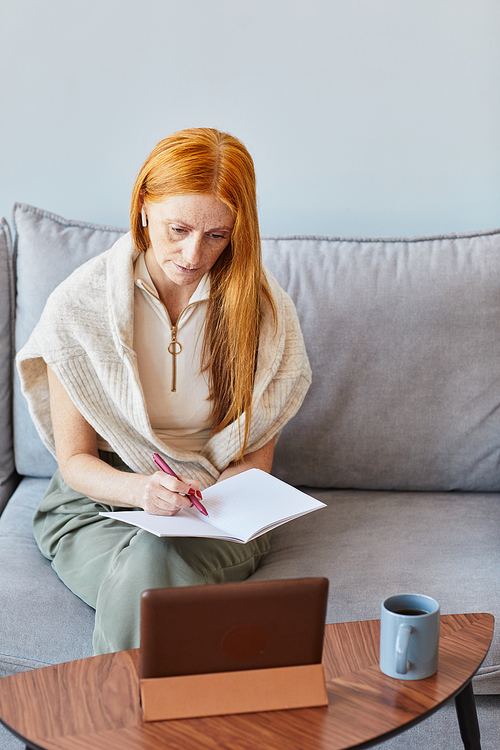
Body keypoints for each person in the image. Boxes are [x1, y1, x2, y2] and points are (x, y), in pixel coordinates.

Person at [17, 128, 312, 654]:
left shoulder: (266, 313)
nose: (194, 254)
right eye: (178, 228)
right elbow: (76, 462)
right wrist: (142, 494)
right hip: (97, 503)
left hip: (215, 507)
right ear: (143, 208)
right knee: (151, 568)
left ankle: (116, 726)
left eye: (217, 235)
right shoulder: (79, 308)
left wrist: (208, 506)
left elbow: (256, 458)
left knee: (154, 561)